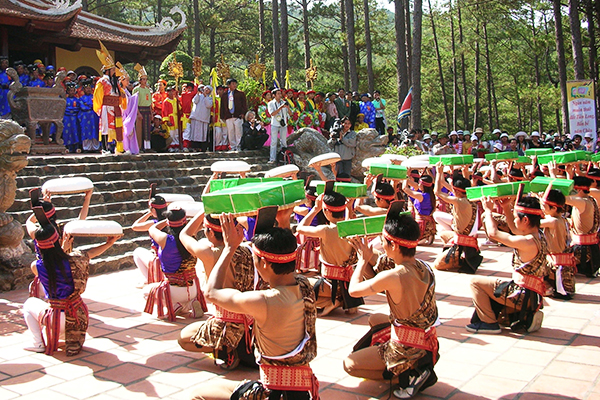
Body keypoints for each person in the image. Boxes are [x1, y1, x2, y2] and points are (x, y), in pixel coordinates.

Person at [189, 214, 319, 400]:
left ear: (264, 263)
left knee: (198, 395)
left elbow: (212, 293)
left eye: (255, 259)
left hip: (274, 394)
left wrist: (229, 248)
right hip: (301, 392)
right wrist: (283, 222)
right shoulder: (304, 284)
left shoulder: (264, 301)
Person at [343, 209, 439, 399]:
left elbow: (353, 290)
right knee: (375, 319)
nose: (381, 244)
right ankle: (416, 368)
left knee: (350, 364)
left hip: (407, 348)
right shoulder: (423, 267)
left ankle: (406, 375)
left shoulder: (394, 276)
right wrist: (368, 254)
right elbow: (380, 266)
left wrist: (361, 261)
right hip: (427, 342)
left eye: (383, 241)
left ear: (393, 245)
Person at [23, 216, 118, 355]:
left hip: (57, 318)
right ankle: (66, 336)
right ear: (58, 240)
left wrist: (61, 248)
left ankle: (37, 344)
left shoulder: (36, 266)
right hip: (77, 317)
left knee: (29, 303)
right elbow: (89, 254)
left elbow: (52, 262)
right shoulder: (75, 259)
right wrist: (109, 243)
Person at [177, 212, 255, 370]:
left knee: (183, 339)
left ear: (210, 232)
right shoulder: (247, 250)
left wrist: (204, 209)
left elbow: (184, 234)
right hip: (251, 324)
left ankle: (226, 350)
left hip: (226, 324)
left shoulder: (209, 254)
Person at [468, 193, 547, 334]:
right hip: (532, 294)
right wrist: (506, 207)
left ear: (526, 220)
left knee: (475, 282)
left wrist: (488, 211)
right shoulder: (539, 235)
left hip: (521, 295)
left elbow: (493, 234)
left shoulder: (527, 242)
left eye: (516, 217)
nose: (514, 220)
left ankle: (488, 323)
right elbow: (515, 230)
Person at [296, 188, 364, 316]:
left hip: (330, 285)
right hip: (349, 283)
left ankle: (331, 302)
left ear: (326, 211)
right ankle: (342, 301)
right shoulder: (350, 227)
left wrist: (315, 209)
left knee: (298, 284)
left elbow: (300, 228)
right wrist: (349, 208)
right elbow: (347, 221)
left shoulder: (326, 230)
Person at [143, 208, 207, 320]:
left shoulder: (164, 239)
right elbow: (200, 222)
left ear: (168, 222)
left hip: (173, 290)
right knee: (187, 290)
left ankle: (174, 305)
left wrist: (167, 220)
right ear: (185, 221)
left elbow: (152, 228)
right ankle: (191, 302)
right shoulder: (191, 236)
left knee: (146, 292)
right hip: (194, 289)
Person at [433, 165, 482, 274]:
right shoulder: (470, 196)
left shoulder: (460, 201)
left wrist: (438, 172)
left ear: (458, 192)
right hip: (464, 235)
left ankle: (456, 258)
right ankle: (454, 255)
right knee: (442, 233)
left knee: (437, 265)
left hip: (463, 240)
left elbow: (437, 192)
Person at [539, 188, 575, 299]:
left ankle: (548, 287)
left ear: (554, 208)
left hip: (556, 266)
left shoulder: (553, 221)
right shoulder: (562, 219)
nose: (542, 209)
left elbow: (531, 223)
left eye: (544, 207)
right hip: (563, 265)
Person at [93, 41, 127, 154]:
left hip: (115, 107)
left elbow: (120, 92)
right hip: (106, 107)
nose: (114, 72)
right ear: (107, 70)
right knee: (105, 128)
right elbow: (98, 97)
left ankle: (119, 148)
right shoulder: (101, 82)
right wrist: (99, 108)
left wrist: (122, 95)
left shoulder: (114, 82)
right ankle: (104, 148)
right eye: (112, 70)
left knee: (117, 127)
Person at [402, 175, 436, 245]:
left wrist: (404, 177)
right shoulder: (430, 194)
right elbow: (414, 185)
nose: (418, 184)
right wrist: (408, 176)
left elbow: (405, 188)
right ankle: (428, 236)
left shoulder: (421, 196)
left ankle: (423, 237)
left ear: (424, 185)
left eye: (420, 183)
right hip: (428, 221)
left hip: (422, 224)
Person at [220, 78, 247, 151]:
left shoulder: (240, 94)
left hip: (238, 116)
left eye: (235, 84)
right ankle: (232, 146)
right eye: (233, 84)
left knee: (238, 132)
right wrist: (222, 116)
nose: (234, 85)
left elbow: (244, 105)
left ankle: (238, 146)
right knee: (230, 132)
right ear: (228, 85)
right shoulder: (224, 95)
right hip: (228, 116)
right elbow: (222, 106)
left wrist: (243, 113)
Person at [186, 85, 213, 151]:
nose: (206, 90)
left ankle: (202, 147)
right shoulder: (198, 96)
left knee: (202, 135)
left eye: (208, 89)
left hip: (204, 118)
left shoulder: (210, 98)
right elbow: (195, 101)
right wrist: (198, 93)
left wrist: (205, 96)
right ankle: (195, 147)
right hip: (196, 117)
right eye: (205, 89)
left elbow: (209, 105)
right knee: (195, 133)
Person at [133, 64, 153, 152]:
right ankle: (139, 147)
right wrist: (138, 113)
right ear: (140, 80)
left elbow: (149, 103)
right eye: (143, 79)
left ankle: (147, 147)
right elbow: (135, 103)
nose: (145, 81)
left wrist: (151, 113)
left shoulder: (148, 90)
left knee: (147, 129)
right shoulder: (136, 89)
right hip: (139, 110)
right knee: (139, 129)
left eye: (145, 79)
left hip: (147, 110)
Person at [267, 88, 290, 164]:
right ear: (274, 95)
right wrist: (280, 107)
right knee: (274, 142)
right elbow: (272, 114)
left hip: (283, 124)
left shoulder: (284, 102)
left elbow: (291, 114)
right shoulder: (270, 103)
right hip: (275, 124)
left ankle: (284, 158)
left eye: (280, 93)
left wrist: (288, 108)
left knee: (284, 141)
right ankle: (272, 159)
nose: (280, 95)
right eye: (278, 94)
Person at [162, 86, 182, 152]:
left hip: (176, 118)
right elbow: (164, 112)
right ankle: (170, 146)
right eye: (170, 91)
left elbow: (179, 109)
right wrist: (167, 120)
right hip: (170, 118)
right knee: (171, 133)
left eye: (172, 91)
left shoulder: (175, 100)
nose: (171, 93)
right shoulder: (166, 101)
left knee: (176, 133)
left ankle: (176, 145)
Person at [62, 82, 81, 153]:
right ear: (67, 91)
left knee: (75, 131)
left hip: (75, 118)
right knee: (67, 131)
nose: (72, 92)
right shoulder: (65, 100)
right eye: (70, 90)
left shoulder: (77, 100)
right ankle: (67, 146)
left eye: (73, 90)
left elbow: (78, 108)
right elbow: (63, 108)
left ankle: (76, 147)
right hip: (67, 117)